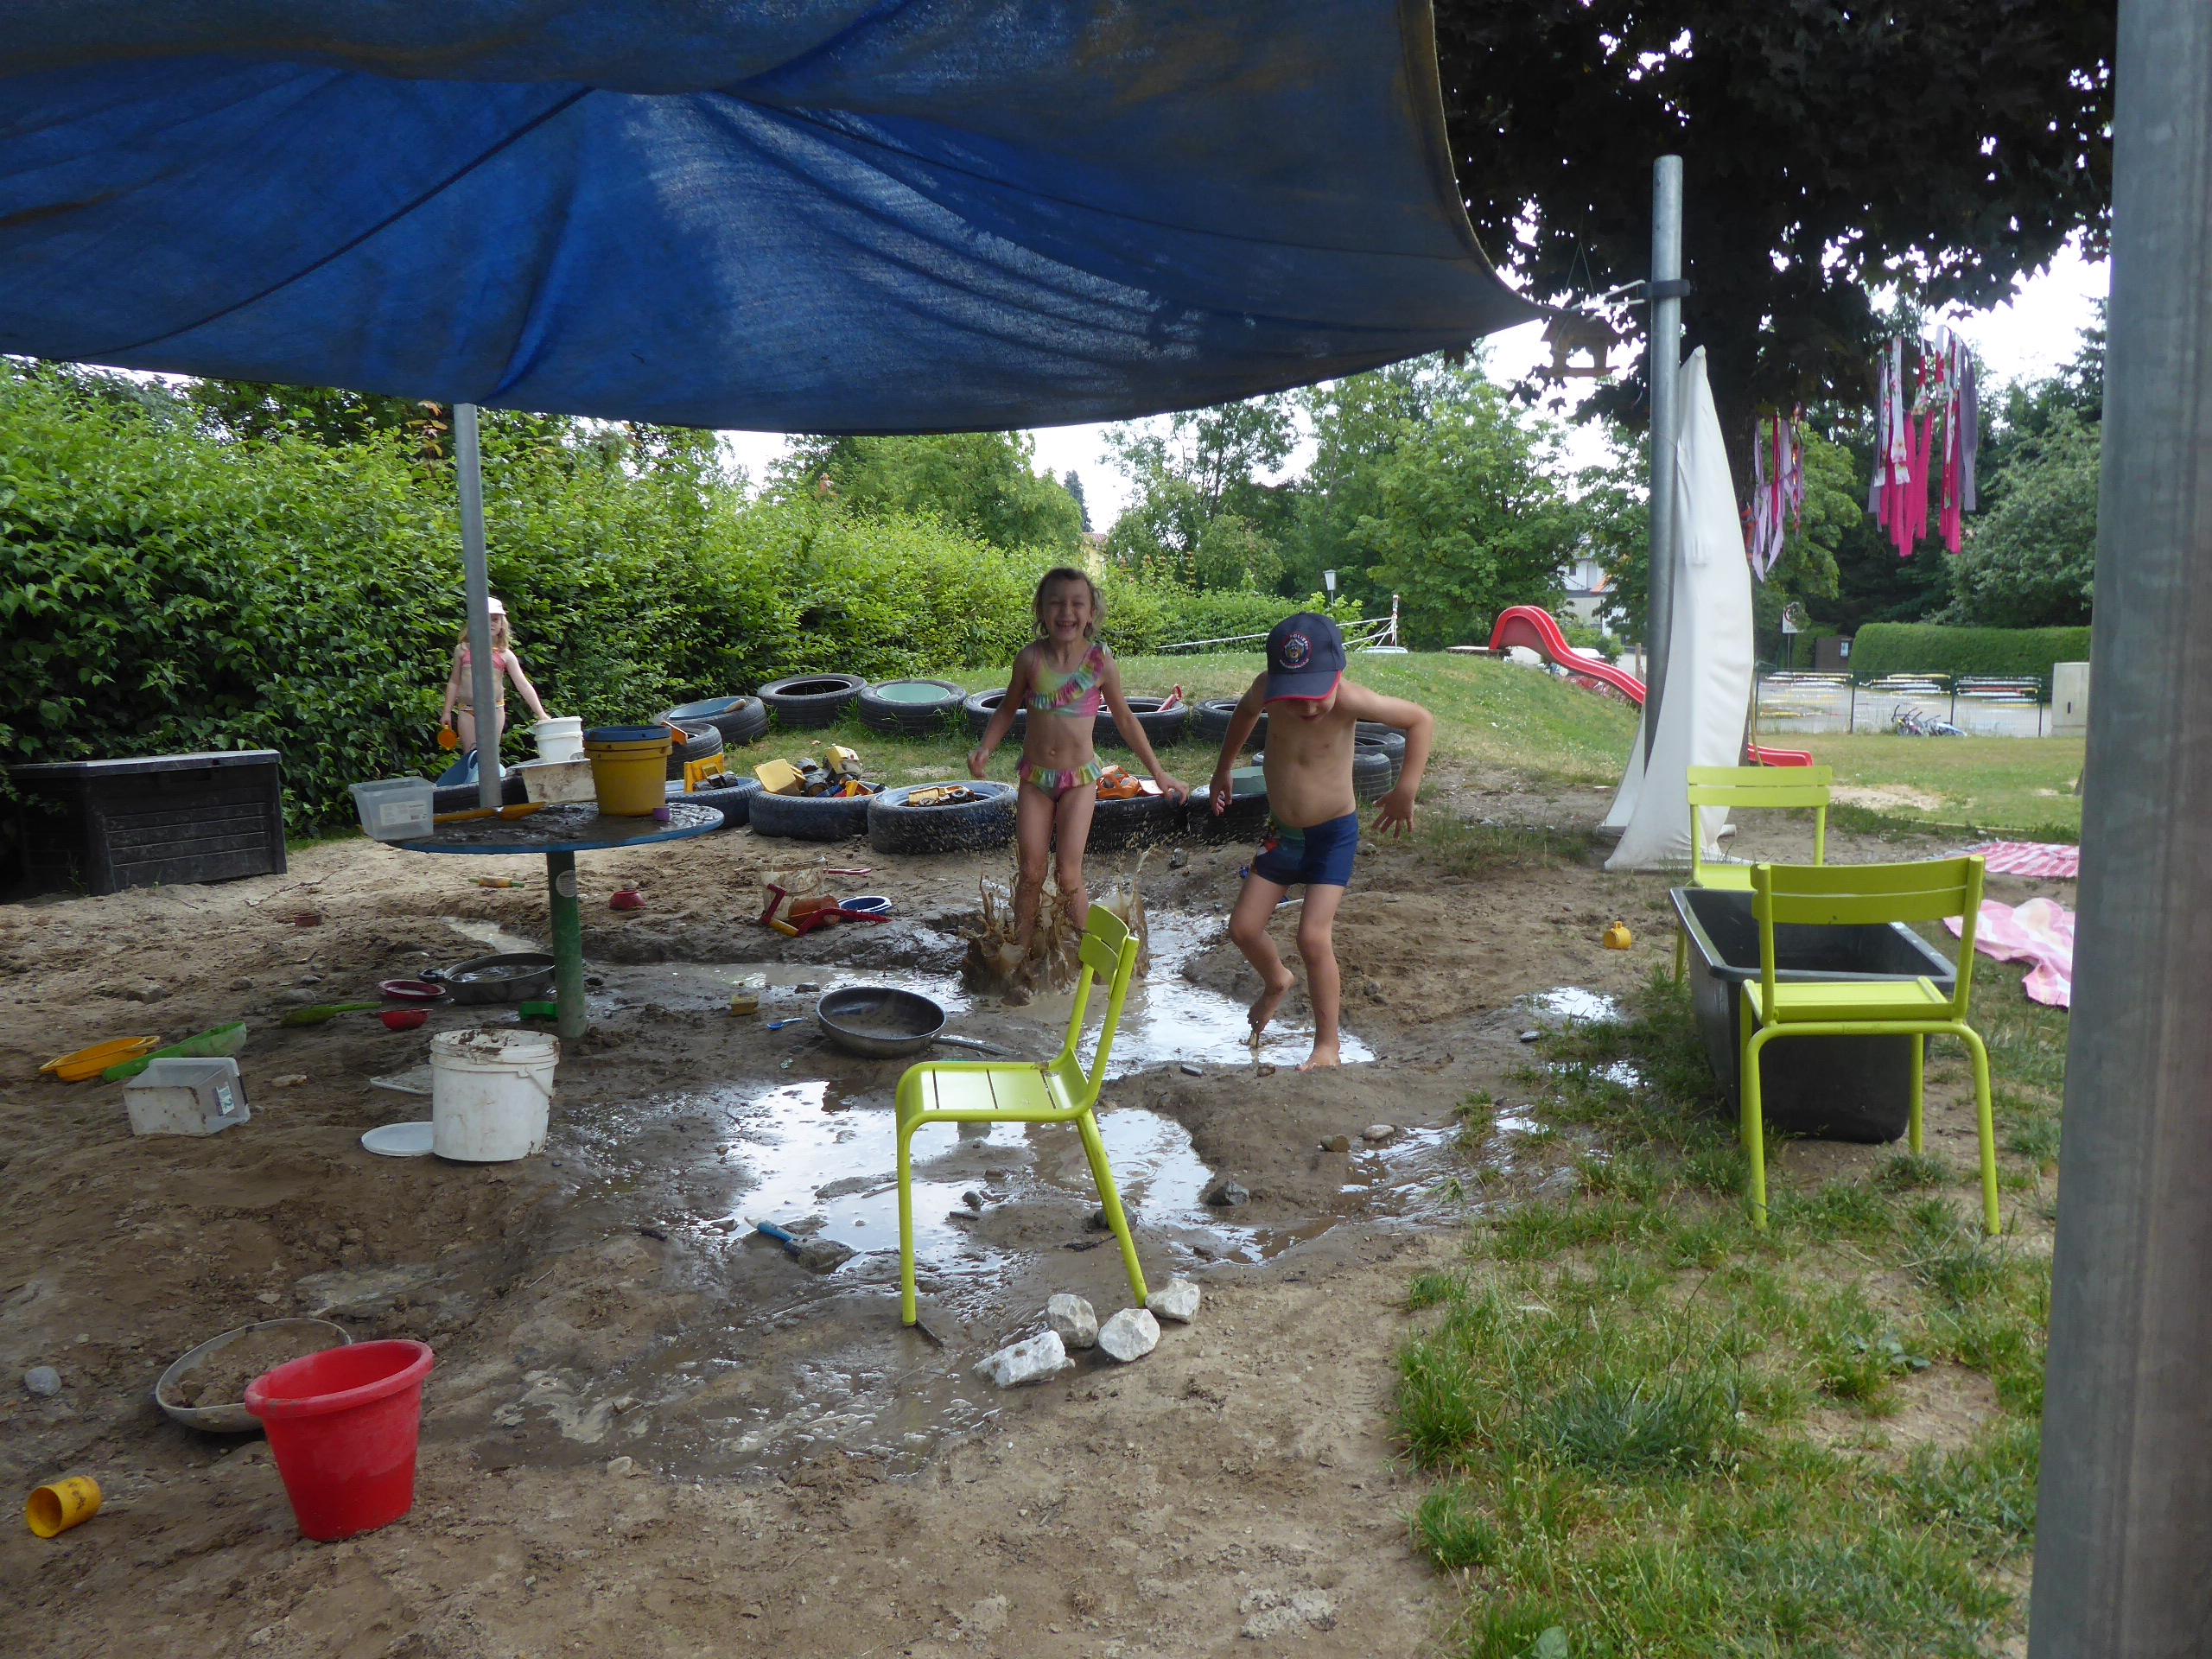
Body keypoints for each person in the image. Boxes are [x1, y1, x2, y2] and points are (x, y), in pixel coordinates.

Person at [1211, 613, 1433, 1071]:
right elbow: (1245, 713)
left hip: (1332, 834)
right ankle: (1277, 980)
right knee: (1243, 929)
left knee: (1312, 936)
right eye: (1294, 697)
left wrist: (1406, 789)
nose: (1308, 708)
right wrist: (1224, 768)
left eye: (1317, 695)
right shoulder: (1267, 691)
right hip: (1282, 835)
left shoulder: (1350, 700)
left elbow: (1420, 720)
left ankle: (1327, 1046)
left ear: (1338, 675)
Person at [970, 568, 1188, 957]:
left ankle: (1092, 956)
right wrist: (986, 747)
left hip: (1080, 781)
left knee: (1068, 875)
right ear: (1041, 610)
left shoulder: (1100, 663)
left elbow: (1126, 720)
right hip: (1036, 780)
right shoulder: (1030, 659)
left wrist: (1158, 772)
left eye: (1077, 604)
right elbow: (1005, 709)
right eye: (1056, 603)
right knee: (1031, 873)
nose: (1066, 612)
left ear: (1091, 613)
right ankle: (1019, 954)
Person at [438, 598, 550, 775]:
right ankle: (476, 787)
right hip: (466, 710)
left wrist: (541, 714)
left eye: (495, 619)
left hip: (494, 710)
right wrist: (446, 711)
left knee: (489, 756)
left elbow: (522, 684)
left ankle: (492, 787)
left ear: (502, 625)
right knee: (470, 757)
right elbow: (454, 682)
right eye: (485, 618)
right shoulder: (463, 650)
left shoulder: (506, 655)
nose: (490, 623)